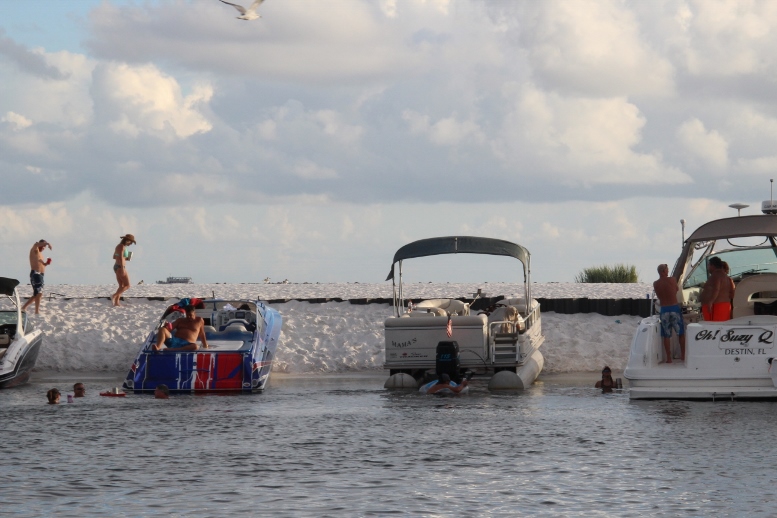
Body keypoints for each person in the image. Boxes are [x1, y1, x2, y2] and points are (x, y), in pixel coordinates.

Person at [654, 263, 686, 363]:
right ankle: (683, 355)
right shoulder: (672, 280)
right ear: (664, 271)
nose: (668, 271)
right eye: (667, 269)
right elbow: (676, 290)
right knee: (680, 333)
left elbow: (659, 296)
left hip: (664, 309)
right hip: (674, 308)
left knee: (666, 335)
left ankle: (668, 357)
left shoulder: (656, 283)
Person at [21, 240, 52, 314]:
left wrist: (46, 263)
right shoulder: (35, 249)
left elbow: (41, 265)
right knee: (39, 293)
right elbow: (36, 244)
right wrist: (47, 243)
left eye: (44, 247)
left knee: (37, 294)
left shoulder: (41, 254)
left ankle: (23, 307)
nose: (43, 248)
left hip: (41, 274)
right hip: (36, 273)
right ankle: (36, 311)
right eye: (43, 246)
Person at [700, 256, 734, 322]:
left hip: (716, 307)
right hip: (724, 306)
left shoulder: (716, 275)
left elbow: (716, 288)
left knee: (714, 326)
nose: (708, 268)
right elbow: (732, 293)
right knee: (722, 326)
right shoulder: (726, 277)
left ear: (712, 266)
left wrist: (710, 301)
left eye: (708, 265)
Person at [112, 234, 136, 307]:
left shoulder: (118, 246)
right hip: (120, 267)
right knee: (128, 285)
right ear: (127, 240)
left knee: (121, 286)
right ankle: (114, 296)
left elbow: (114, 256)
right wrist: (122, 268)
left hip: (117, 266)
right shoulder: (122, 247)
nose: (130, 244)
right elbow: (121, 258)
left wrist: (126, 258)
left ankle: (116, 302)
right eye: (130, 242)